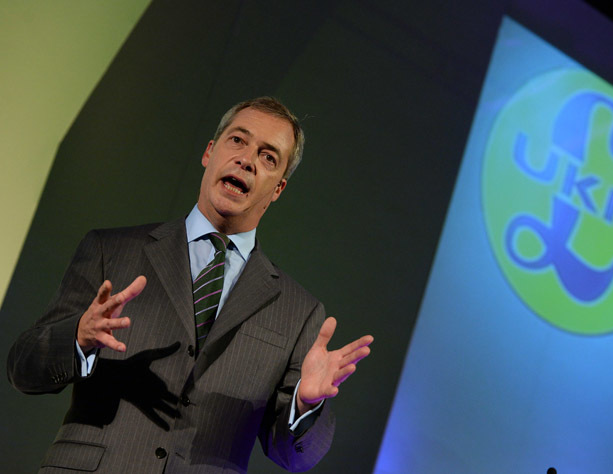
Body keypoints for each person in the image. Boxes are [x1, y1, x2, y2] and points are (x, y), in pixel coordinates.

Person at [7, 97, 373, 473]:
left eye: (268, 157)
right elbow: (23, 369)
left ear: (277, 189)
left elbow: (296, 456)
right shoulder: (111, 250)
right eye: (238, 141)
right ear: (209, 152)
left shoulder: (299, 312)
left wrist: (305, 406)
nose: (246, 160)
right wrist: (78, 339)